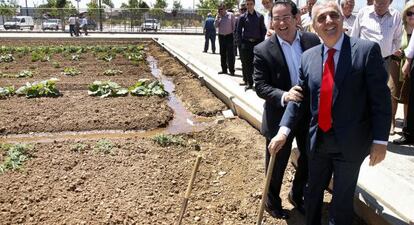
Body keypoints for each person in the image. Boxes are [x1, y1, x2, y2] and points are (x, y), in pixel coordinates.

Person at [268, 1, 391, 225]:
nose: (328, 21)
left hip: (351, 144)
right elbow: (298, 98)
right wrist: (283, 131)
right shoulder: (309, 57)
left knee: (342, 203)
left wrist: (381, 141)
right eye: (321, 18)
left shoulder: (366, 51)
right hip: (318, 142)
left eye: (333, 15)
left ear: (342, 19)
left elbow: (381, 101)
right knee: (313, 192)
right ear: (313, 26)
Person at [253, 0, 320, 219]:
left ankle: (297, 194)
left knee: (309, 158)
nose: (281, 23)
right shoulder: (263, 49)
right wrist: (284, 96)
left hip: (308, 114)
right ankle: (273, 203)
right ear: (271, 21)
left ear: (297, 18)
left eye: (286, 18)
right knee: (277, 162)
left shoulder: (311, 40)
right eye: (276, 18)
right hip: (279, 114)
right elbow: (260, 86)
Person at [351, 0, 403, 134]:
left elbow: (397, 39)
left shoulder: (396, 16)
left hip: (383, 62)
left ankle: (372, 127)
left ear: (390, 2)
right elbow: (354, 37)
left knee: (378, 94)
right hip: (363, 61)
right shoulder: (363, 13)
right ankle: (358, 125)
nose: (379, 6)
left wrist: (387, 50)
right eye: (377, 2)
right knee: (360, 92)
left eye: (383, 3)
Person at [389, 2, 414, 140]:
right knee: (393, 93)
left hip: (411, 66)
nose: (412, 16)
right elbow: (391, 41)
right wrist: (395, 50)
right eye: (409, 13)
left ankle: (406, 122)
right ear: (405, 15)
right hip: (396, 63)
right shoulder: (400, 27)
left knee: (408, 96)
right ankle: (391, 122)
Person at [237, 0, 266, 90]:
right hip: (246, 43)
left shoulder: (260, 16)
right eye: (247, 4)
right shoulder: (242, 17)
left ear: (254, 4)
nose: (249, 6)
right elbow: (238, 31)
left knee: (257, 64)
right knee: (247, 64)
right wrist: (240, 43)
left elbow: (263, 30)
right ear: (246, 5)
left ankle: (258, 83)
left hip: (257, 43)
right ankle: (250, 83)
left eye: (251, 4)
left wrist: (261, 43)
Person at [215, 3, 236, 76]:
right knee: (222, 53)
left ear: (225, 9)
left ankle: (232, 70)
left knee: (230, 54)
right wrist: (217, 19)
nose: (220, 11)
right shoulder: (218, 16)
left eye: (221, 9)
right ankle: (224, 70)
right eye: (218, 9)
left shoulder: (231, 15)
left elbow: (234, 26)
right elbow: (215, 26)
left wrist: (233, 35)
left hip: (229, 36)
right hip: (221, 37)